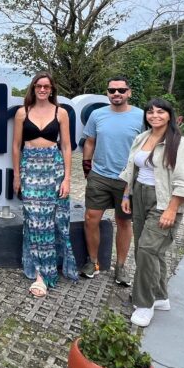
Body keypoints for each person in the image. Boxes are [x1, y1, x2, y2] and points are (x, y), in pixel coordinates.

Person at [119, 98, 184, 327]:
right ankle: (161, 296)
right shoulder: (142, 138)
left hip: (163, 200)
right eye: (150, 112)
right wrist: (126, 195)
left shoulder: (178, 143)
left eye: (160, 112)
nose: (155, 116)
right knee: (153, 252)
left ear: (169, 115)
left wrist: (171, 209)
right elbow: (130, 168)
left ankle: (144, 303)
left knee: (147, 249)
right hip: (139, 195)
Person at [11, 72, 78, 297]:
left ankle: (45, 275)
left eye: (46, 86)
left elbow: (67, 147)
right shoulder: (22, 113)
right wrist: (17, 176)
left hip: (54, 169)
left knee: (53, 222)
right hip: (30, 168)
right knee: (34, 221)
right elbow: (15, 146)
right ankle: (40, 269)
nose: (42, 89)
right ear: (33, 88)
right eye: (39, 86)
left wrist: (67, 178)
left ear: (52, 90)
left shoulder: (61, 113)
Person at [80, 76, 144, 285]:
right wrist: (87, 166)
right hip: (99, 175)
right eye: (112, 90)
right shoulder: (97, 115)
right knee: (91, 218)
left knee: (124, 222)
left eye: (121, 90)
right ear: (107, 93)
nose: (116, 94)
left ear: (129, 92)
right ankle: (93, 262)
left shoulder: (141, 116)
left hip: (127, 179)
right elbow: (90, 142)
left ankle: (121, 267)